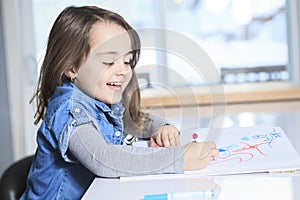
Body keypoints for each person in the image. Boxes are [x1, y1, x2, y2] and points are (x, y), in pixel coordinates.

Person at [20, 6, 219, 199]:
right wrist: (180, 158)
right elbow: (103, 158)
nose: (123, 70)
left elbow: (135, 121)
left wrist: (161, 127)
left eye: (127, 61)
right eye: (108, 62)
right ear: (72, 67)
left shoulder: (98, 98)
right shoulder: (70, 108)